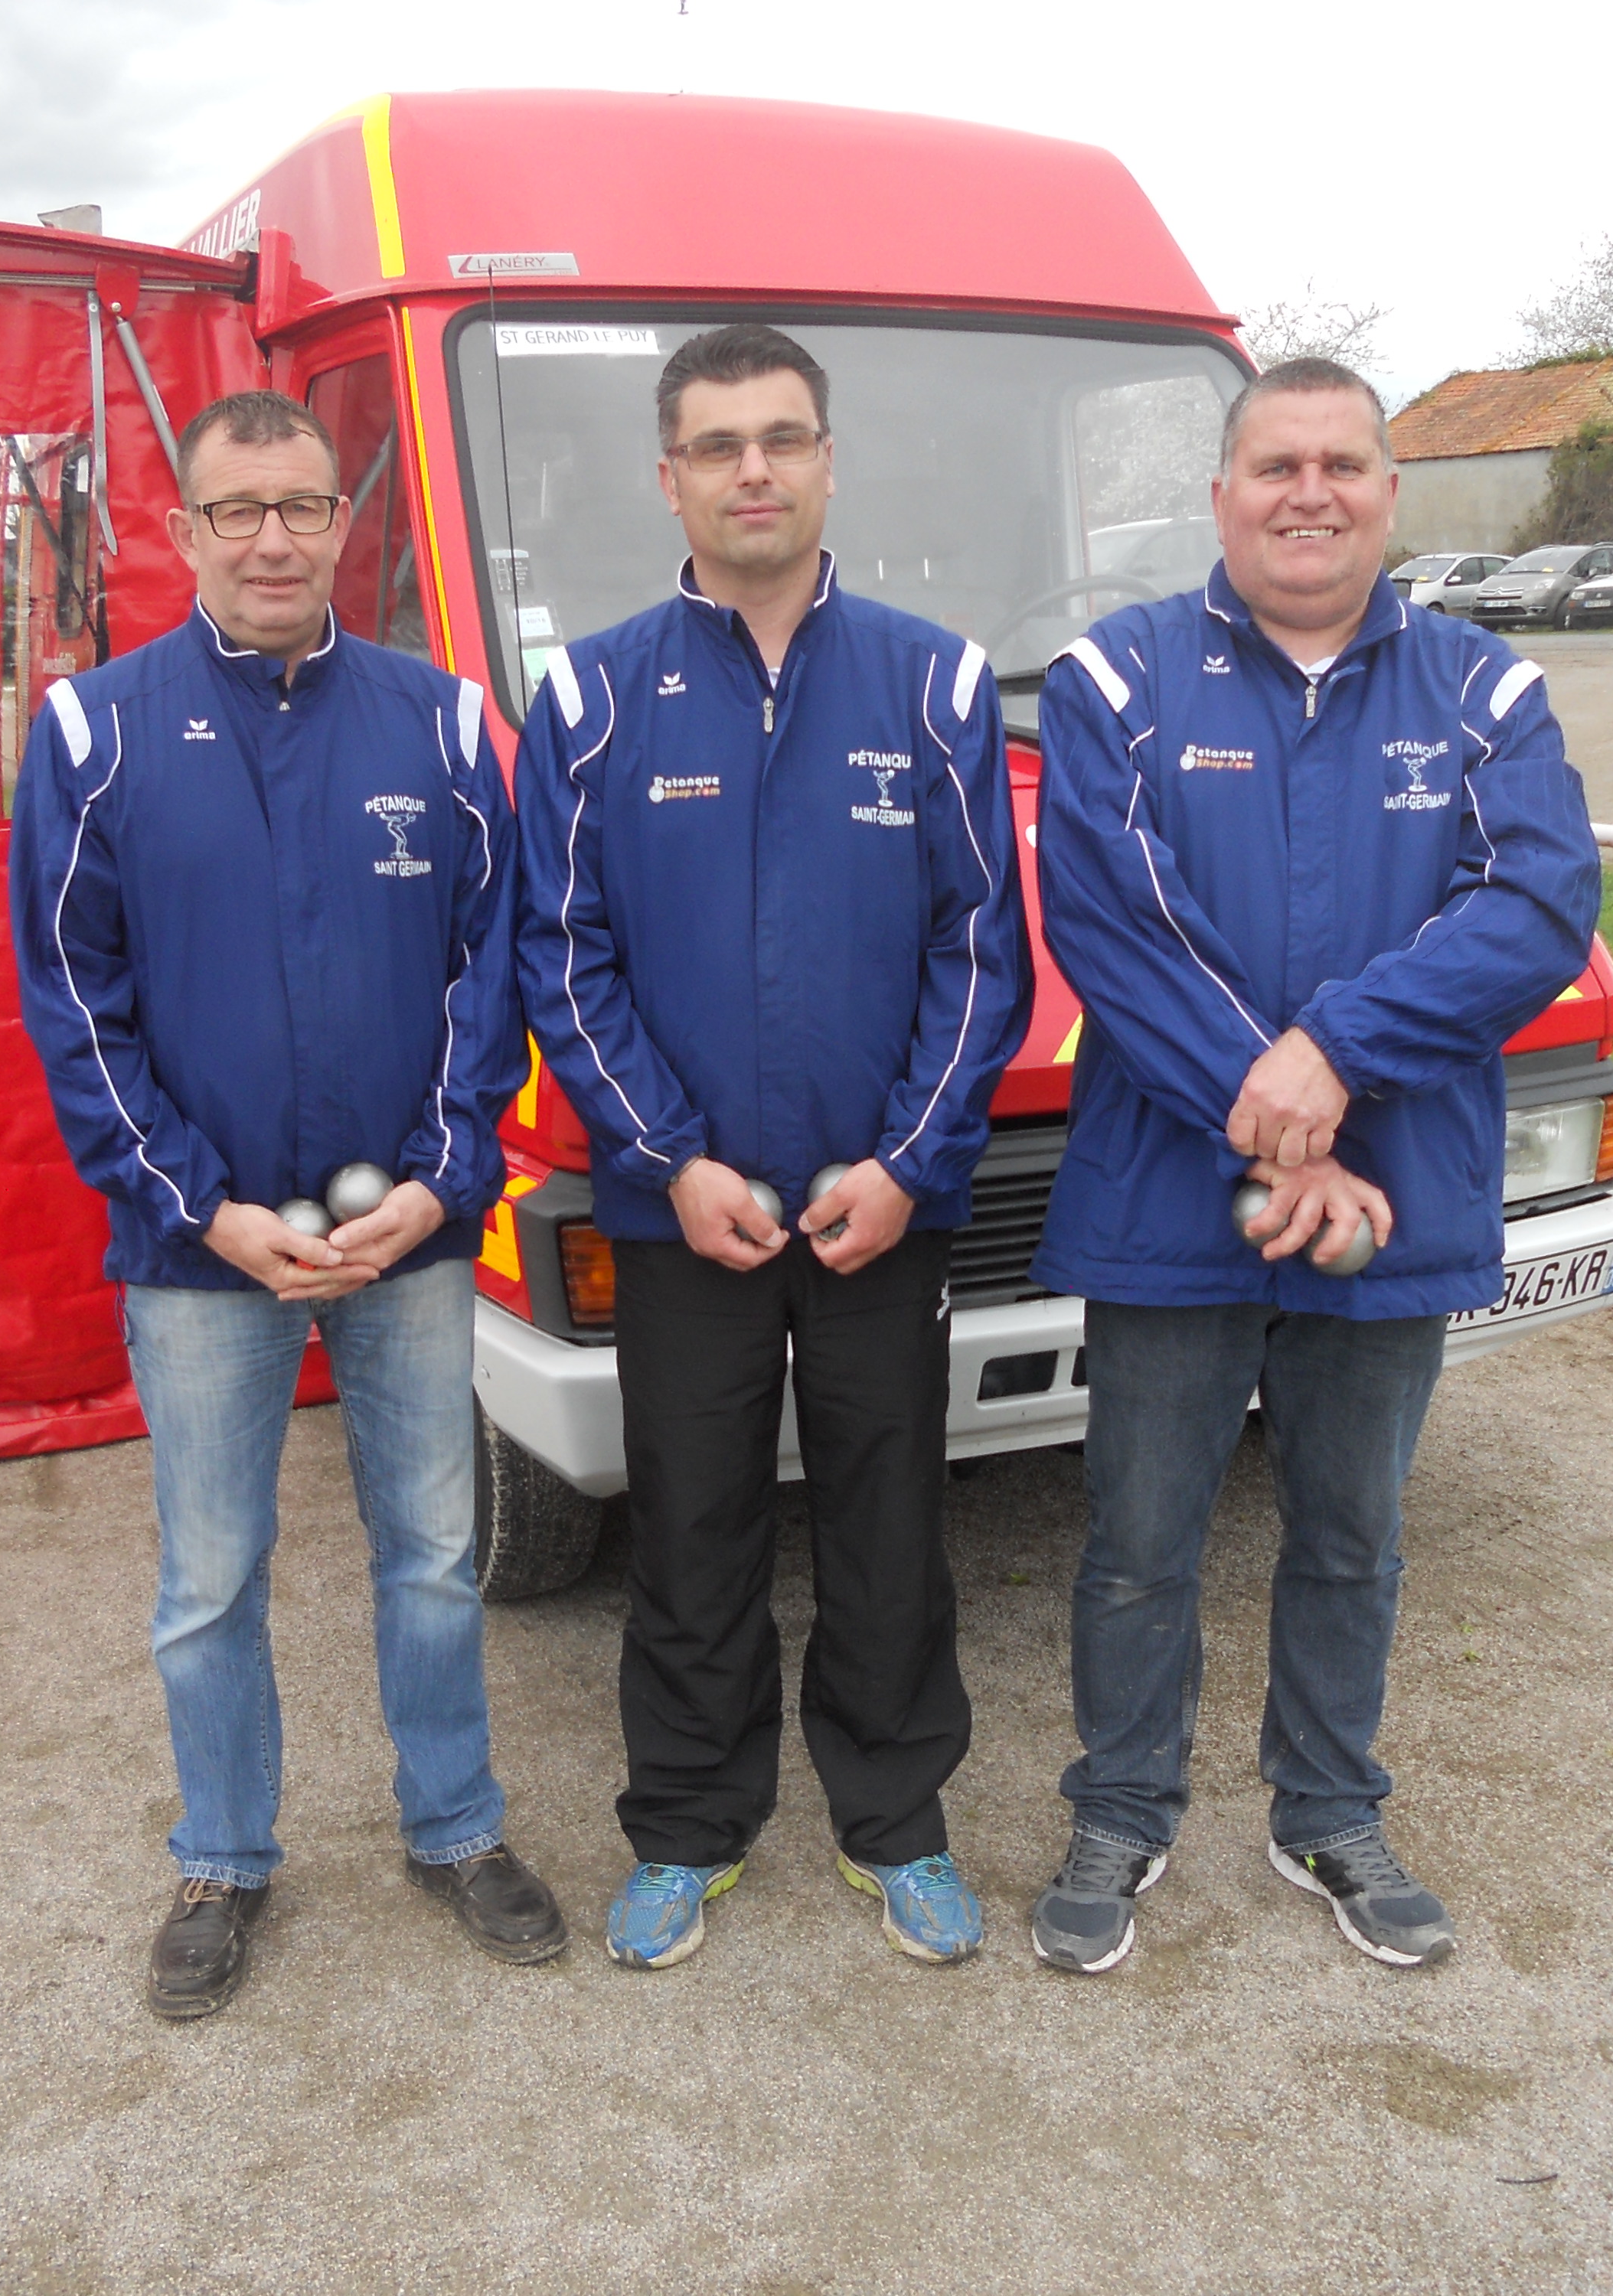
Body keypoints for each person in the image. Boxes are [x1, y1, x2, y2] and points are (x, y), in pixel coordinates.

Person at [1025, 357, 1601, 1975]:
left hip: (1388, 1197)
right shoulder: (1112, 681)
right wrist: (1267, 1095)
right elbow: (1108, 925)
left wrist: (1333, 1056)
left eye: (1342, 464)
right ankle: (1120, 1808)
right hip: (1168, 1193)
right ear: (1218, 496)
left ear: (1387, 495)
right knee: (1139, 1538)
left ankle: (1326, 1809)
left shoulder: (1488, 693)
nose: (1308, 492)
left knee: (1351, 1530)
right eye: (1274, 463)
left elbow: (1534, 907)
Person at [8, 390, 561, 2020]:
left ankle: (455, 1830)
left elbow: (493, 971)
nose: (270, 538)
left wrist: (444, 1179)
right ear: (179, 532)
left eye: (301, 508)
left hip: (407, 1236)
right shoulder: (93, 732)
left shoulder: (443, 725)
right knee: (209, 1577)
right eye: (235, 509)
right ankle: (224, 1858)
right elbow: (71, 999)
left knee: (433, 1552)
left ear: (343, 527)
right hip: (198, 1254)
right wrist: (198, 1206)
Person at [515, 324, 1030, 1971]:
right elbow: (560, 951)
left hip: (883, 1208)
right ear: (666, 476)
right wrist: (668, 1161)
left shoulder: (931, 681)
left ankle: (896, 1822)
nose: (754, 468)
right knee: (690, 1522)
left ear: (825, 461)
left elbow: (981, 951)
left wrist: (904, 1162)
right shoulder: (589, 695)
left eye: (782, 438)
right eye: (719, 443)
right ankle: (686, 1825)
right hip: (689, 1216)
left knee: (888, 1515)